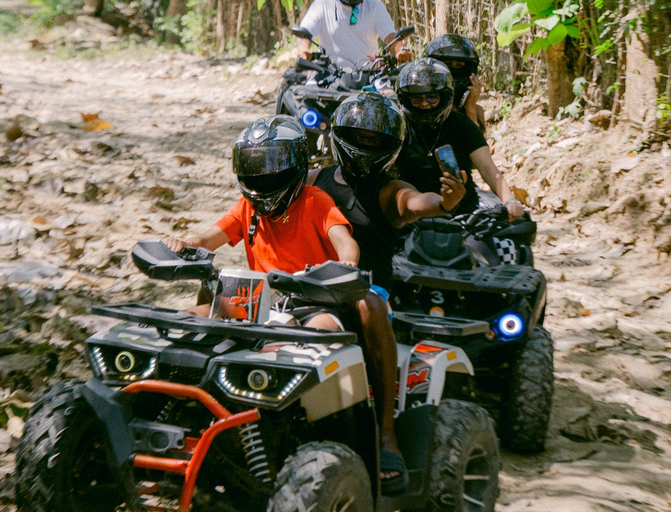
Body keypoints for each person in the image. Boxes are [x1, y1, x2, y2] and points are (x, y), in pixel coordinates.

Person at [307, 91, 467, 495]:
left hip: (364, 290)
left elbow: (414, 203)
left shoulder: (389, 190)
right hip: (307, 287)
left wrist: (444, 201)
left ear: (391, 146)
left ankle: (385, 432)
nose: (365, 145)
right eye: (358, 136)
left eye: (375, 139)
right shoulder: (314, 180)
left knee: (369, 305)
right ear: (339, 135)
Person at [165, 115, 359, 331]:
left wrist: (347, 263)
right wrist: (184, 245)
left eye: (271, 172)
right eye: (254, 172)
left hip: (316, 300)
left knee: (319, 330)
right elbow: (206, 240)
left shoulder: (315, 200)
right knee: (186, 320)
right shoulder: (246, 206)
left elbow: (344, 241)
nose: (262, 177)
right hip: (258, 300)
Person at [394, 58, 525, 220]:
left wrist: (510, 200)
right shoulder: (398, 128)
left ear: (444, 96)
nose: (424, 103)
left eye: (432, 97)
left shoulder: (462, 124)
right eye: (416, 99)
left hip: (464, 213)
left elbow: (488, 169)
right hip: (413, 213)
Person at [296, 0, 411, 70]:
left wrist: (400, 50)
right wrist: (304, 50)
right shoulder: (322, 4)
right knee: (306, 98)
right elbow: (305, 33)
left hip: (370, 76)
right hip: (329, 74)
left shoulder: (375, 6)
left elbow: (390, 36)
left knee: (391, 99)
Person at [425, 33, 486, 132]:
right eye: (447, 64)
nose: (453, 70)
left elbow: (476, 140)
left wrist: (470, 107)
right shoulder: (423, 103)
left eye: (459, 65)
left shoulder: (476, 111)